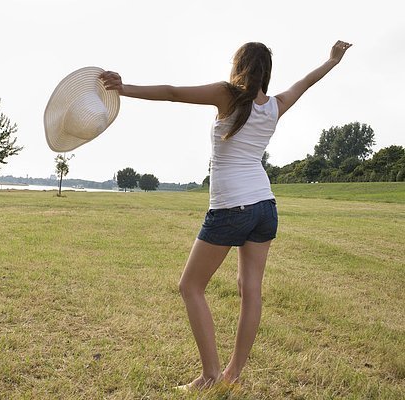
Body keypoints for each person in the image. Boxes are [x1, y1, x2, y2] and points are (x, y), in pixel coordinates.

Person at [100, 40, 352, 391]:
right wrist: (332, 61)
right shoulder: (276, 105)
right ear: (267, 71)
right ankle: (232, 374)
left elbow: (173, 93)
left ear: (240, 66)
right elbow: (306, 82)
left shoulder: (228, 94)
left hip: (232, 206)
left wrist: (125, 89)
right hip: (265, 206)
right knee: (251, 291)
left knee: (191, 286)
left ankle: (210, 376)